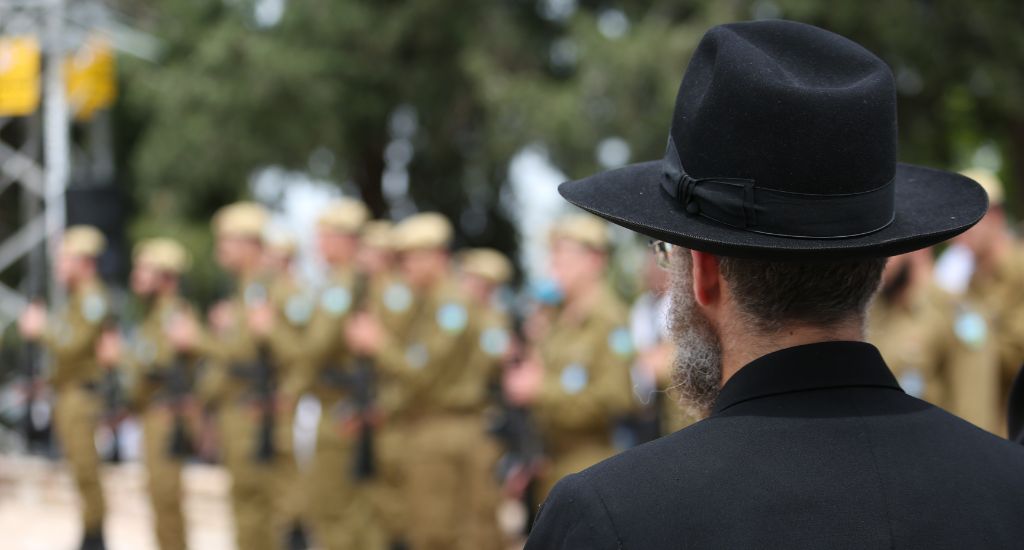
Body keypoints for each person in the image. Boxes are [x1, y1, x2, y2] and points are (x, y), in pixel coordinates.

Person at [526, 20, 1024, 549]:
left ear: (705, 272)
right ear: (875, 264)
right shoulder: (1009, 488)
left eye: (666, 250)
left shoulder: (609, 518)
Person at [345, 212, 491, 550]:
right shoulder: (427, 303)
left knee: (438, 535)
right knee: (426, 530)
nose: (404, 265)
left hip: (444, 430)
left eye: (411, 256)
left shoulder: (450, 306)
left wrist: (379, 344)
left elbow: (423, 371)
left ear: (437, 256)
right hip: (427, 428)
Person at [168, 201, 278, 550]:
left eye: (227, 240)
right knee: (248, 512)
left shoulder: (261, 287)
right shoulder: (245, 290)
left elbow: (243, 354)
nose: (221, 249)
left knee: (258, 513)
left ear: (249, 243)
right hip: (239, 411)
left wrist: (198, 338)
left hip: (256, 413)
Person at [504, 214, 635, 503]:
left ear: (595, 260)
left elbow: (617, 397)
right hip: (554, 461)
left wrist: (541, 390)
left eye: (565, 253)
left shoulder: (607, 320)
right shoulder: (560, 317)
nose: (555, 263)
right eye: (554, 252)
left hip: (589, 463)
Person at [19, 225, 112, 550]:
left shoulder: (92, 298)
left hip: (81, 397)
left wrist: (42, 328)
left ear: (84, 262)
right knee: (79, 471)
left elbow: (74, 344)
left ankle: (95, 539)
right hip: (70, 394)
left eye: (65, 259)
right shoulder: (78, 299)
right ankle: (90, 535)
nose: (59, 266)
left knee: (87, 472)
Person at [302, 198, 385, 550]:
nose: (317, 244)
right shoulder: (350, 281)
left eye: (324, 236)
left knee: (339, 516)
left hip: (342, 412)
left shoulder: (343, 284)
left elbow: (316, 346)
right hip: (342, 407)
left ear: (345, 240)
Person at [868, 248, 1001, 432]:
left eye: (889, 248)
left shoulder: (956, 315)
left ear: (917, 248)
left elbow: (975, 418)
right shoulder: (874, 309)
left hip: (934, 450)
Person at [122, 237, 197, 550]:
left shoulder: (174, 315)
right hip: (153, 416)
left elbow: (158, 365)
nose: (135, 276)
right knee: (159, 499)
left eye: (144, 269)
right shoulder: (153, 317)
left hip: (167, 417)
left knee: (166, 500)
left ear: (165, 277)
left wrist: (124, 360)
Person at [948, 168, 1024, 425]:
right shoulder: (970, 284)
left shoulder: (1019, 272)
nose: (959, 230)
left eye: (969, 217)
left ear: (997, 218)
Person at [456, 247, 515, 549]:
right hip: (462, 422)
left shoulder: (492, 321)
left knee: (481, 508)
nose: (468, 287)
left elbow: (491, 365)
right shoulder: (460, 315)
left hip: (483, 421)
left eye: (476, 282)